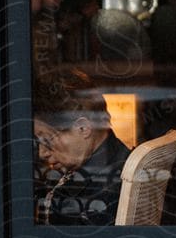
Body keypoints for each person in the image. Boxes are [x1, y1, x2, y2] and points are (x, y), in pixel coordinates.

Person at [33, 76, 131, 226]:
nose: (42, 153)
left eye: (47, 139)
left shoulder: (101, 194)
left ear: (83, 128)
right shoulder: (116, 157)